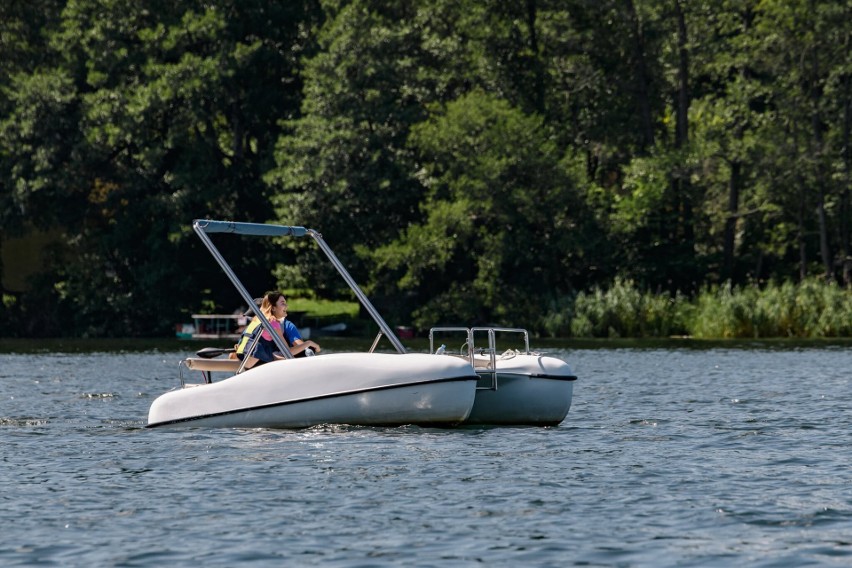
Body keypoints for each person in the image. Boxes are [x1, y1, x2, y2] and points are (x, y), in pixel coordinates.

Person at [235, 292, 321, 368]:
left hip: (247, 359)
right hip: (251, 363)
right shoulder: (273, 323)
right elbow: (288, 352)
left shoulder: (257, 320)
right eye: (283, 303)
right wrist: (309, 343)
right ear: (273, 308)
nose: (286, 306)